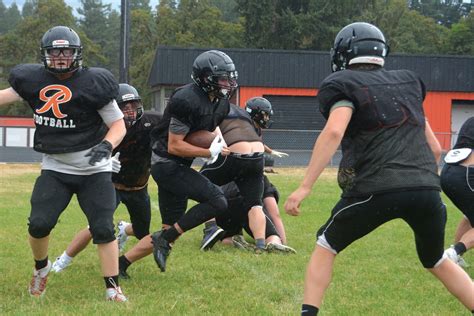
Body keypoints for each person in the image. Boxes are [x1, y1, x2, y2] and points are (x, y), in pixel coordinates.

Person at [284, 22, 474, 315]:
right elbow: (435, 148)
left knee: (326, 246)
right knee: (436, 259)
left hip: (376, 187)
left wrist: (305, 186)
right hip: (426, 189)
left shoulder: (342, 84)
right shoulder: (408, 83)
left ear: (344, 53)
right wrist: (418, 180)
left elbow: (334, 132)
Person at [0, 26, 127, 301]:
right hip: (56, 166)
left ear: (76, 54)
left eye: (66, 51)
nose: (60, 57)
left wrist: (107, 145)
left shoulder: (93, 82)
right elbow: (4, 96)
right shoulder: (32, 79)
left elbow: (118, 124)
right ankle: (41, 269)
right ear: (45, 55)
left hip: (94, 168)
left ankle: (112, 288)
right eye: (54, 52)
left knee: (103, 227)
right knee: (38, 224)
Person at [122, 50, 235, 273]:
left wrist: (216, 141)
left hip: (180, 165)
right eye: (222, 78)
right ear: (205, 78)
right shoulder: (186, 99)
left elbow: (206, 129)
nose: (228, 83)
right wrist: (208, 152)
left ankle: (121, 264)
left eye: (230, 77)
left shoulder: (221, 102)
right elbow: (175, 145)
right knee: (218, 201)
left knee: (167, 230)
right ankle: (167, 238)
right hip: (166, 163)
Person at [50, 83, 163, 274]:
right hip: (112, 185)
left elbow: (177, 125)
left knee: (142, 232)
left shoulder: (152, 120)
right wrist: (104, 160)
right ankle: (63, 260)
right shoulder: (102, 126)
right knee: (96, 226)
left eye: (133, 105)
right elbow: (83, 154)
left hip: (138, 187)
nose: (130, 111)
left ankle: (123, 230)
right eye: (123, 107)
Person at [216, 176, 296, 254]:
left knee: (228, 238)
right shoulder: (262, 180)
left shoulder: (225, 177)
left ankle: (232, 241)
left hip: (223, 204)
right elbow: (275, 214)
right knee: (271, 236)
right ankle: (274, 242)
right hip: (244, 202)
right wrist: (281, 240)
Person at [441, 116, 474, 267]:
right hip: (466, 174)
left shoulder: (470, 120)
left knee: (469, 215)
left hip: (448, 172)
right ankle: (453, 253)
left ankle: (456, 257)